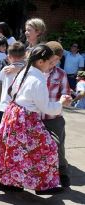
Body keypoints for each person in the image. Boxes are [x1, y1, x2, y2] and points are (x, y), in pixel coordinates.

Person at [0, 45, 71, 195]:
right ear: (41, 62)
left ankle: (10, 184)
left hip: (15, 114)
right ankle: (43, 185)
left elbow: (12, 92)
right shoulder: (37, 79)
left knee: (15, 152)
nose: (51, 66)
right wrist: (61, 102)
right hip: (25, 118)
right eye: (50, 62)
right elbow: (46, 107)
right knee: (47, 149)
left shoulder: (26, 71)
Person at [43, 41, 71, 187]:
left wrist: (66, 98)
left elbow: (65, 92)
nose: (53, 63)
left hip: (54, 118)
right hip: (35, 117)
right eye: (51, 60)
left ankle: (62, 172)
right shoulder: (35, 71)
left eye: (56, 60)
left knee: (57, 145)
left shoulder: (61, 74)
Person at [0, 41, 26, 140]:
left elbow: (1, 79)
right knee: (13, 134)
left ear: (9, 56)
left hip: (4, 105)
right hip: (18, 107)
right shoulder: (27, 70)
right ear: (24, 55)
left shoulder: (6, 69)